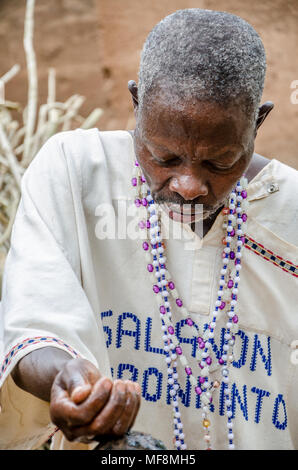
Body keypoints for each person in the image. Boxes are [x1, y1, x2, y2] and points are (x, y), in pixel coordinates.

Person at [0, 8, 297, 451]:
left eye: (220, 162)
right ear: (137, 103)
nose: (189, 186)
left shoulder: (290, 213)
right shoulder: (76, 173)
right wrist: (66, 378)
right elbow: (32, 324)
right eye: (164, 157)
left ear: (258, 122)